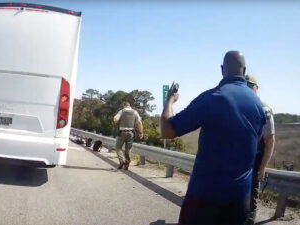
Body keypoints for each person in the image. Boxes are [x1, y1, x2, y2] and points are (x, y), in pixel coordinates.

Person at [161, 51, 266, 225]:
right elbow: (259, 141)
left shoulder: (213, 97)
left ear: (222, 69)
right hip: (240, 198)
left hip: (205, 195)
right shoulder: (257, 103)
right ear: (244, 70)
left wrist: (170, 100)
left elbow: (167, 130)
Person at [245, 75, 275, 225]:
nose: (249, 89)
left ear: (257, 88)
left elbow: (269, 141)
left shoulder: (264, 109)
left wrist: (262, 168)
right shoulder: (237, 105)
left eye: (251, 86)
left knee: (251, 199)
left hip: (254, 162)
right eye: (246, 85)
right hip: (236, 161)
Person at [113, 102, 143, 170]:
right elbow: (139, 123)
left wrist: (119, 122)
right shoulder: (135, 112)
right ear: (130, 106)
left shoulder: (121, 111)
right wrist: (141, 133)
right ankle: (126, 165)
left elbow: (115, 120)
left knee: (118, 147)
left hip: (122, 132)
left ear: (124, 106)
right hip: (131, 133)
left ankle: (122, 160)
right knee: (128, 149)